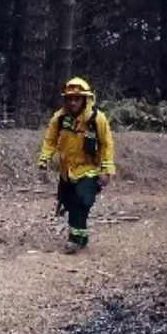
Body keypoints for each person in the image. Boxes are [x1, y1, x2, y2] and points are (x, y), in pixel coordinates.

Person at [37, 77, 117, 254]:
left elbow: (106, 144)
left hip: (89, 169)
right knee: (69, 200)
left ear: (85, 99)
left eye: (77, 99)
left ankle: (74, 239)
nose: (72, 102)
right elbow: (50, 140)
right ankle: (81, 235)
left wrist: (106, 170)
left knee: (81, 198)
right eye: (69, 99)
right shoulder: (59, 118)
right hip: (67, 171)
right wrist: (44, 159)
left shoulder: (97, 119)